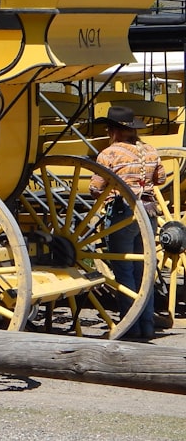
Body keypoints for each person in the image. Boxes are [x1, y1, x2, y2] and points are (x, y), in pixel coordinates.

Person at [88, 105, 164, 341]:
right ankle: (147, 325)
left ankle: (130, 325)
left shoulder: (109, 154)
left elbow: (95, 187)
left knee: (124, 271)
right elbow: (160, 179)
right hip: (149, 214)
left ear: (112, 130)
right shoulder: (150, 151)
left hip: (123, 214)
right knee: (144, 272)